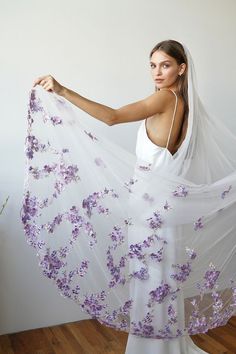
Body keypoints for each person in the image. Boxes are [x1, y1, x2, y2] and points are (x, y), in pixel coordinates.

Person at [21, 40, 236, 354]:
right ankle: (167, 347)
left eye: (165, 65)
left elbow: (112, 117)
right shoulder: (185, 104)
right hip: (165, 210)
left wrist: (64, 91)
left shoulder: (164, 98)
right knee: (162, 282)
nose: (157, 72)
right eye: (152, 65)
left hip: (150, 212)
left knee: (152, 283)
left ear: (182, 68)